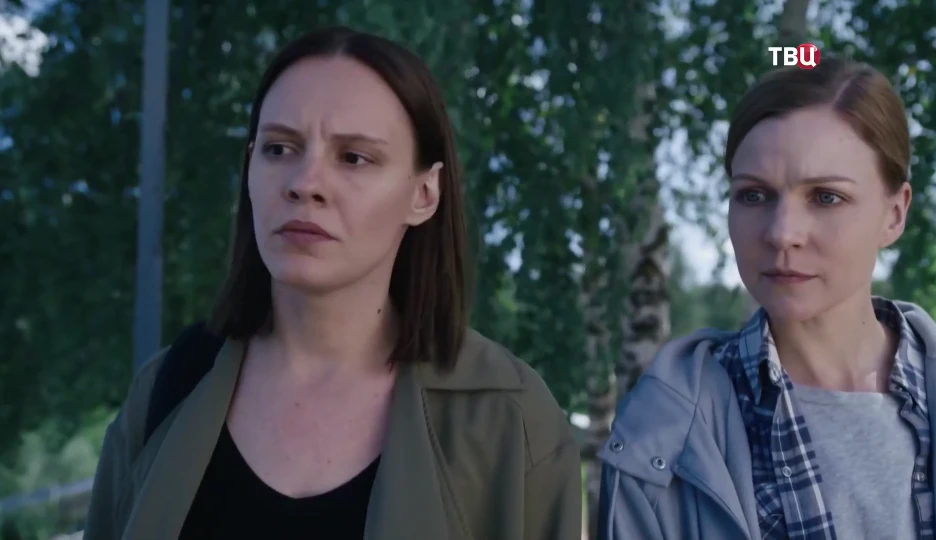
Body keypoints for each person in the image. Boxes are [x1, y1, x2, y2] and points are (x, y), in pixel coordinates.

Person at [84, 26, 581, 540]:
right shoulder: (165, 391)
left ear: (424, 194)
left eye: (353, 157)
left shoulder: (508, 419)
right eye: (279, 148)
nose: (305, 184)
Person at [598, 57, 936, 540]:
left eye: (826, 197)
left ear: (895, 214)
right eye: (754, 195)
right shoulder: (661, 434)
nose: (782, 233)